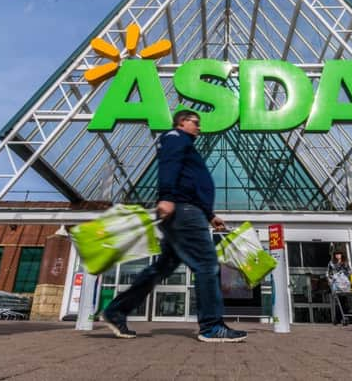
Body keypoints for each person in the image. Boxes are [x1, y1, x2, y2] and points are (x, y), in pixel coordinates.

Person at [102, 110, 247, 342]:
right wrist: (167, 196)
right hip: (184, 211)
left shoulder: (184, 143)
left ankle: (116, 311)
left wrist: (209, 215)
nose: (199, 127)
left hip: (187, 210)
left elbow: (189, 179)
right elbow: (169, 166)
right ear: (182, 122)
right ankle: (211, 326)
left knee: (162, 268)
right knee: (207, 265)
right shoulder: (175, 138)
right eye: (195, 122)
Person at [326, 251, 352, 325]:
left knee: (345, 302)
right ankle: (339, 318)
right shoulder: (331, 263)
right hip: (337, 285)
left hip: (345, 285)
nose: (337, 256)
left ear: (341, 255)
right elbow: (328, 273)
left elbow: (350, 272)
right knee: (339, 302)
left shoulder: (345, 263)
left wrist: (350, 279)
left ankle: (342, 318)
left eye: (339, 254)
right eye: (336, 254)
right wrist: (330, 280)